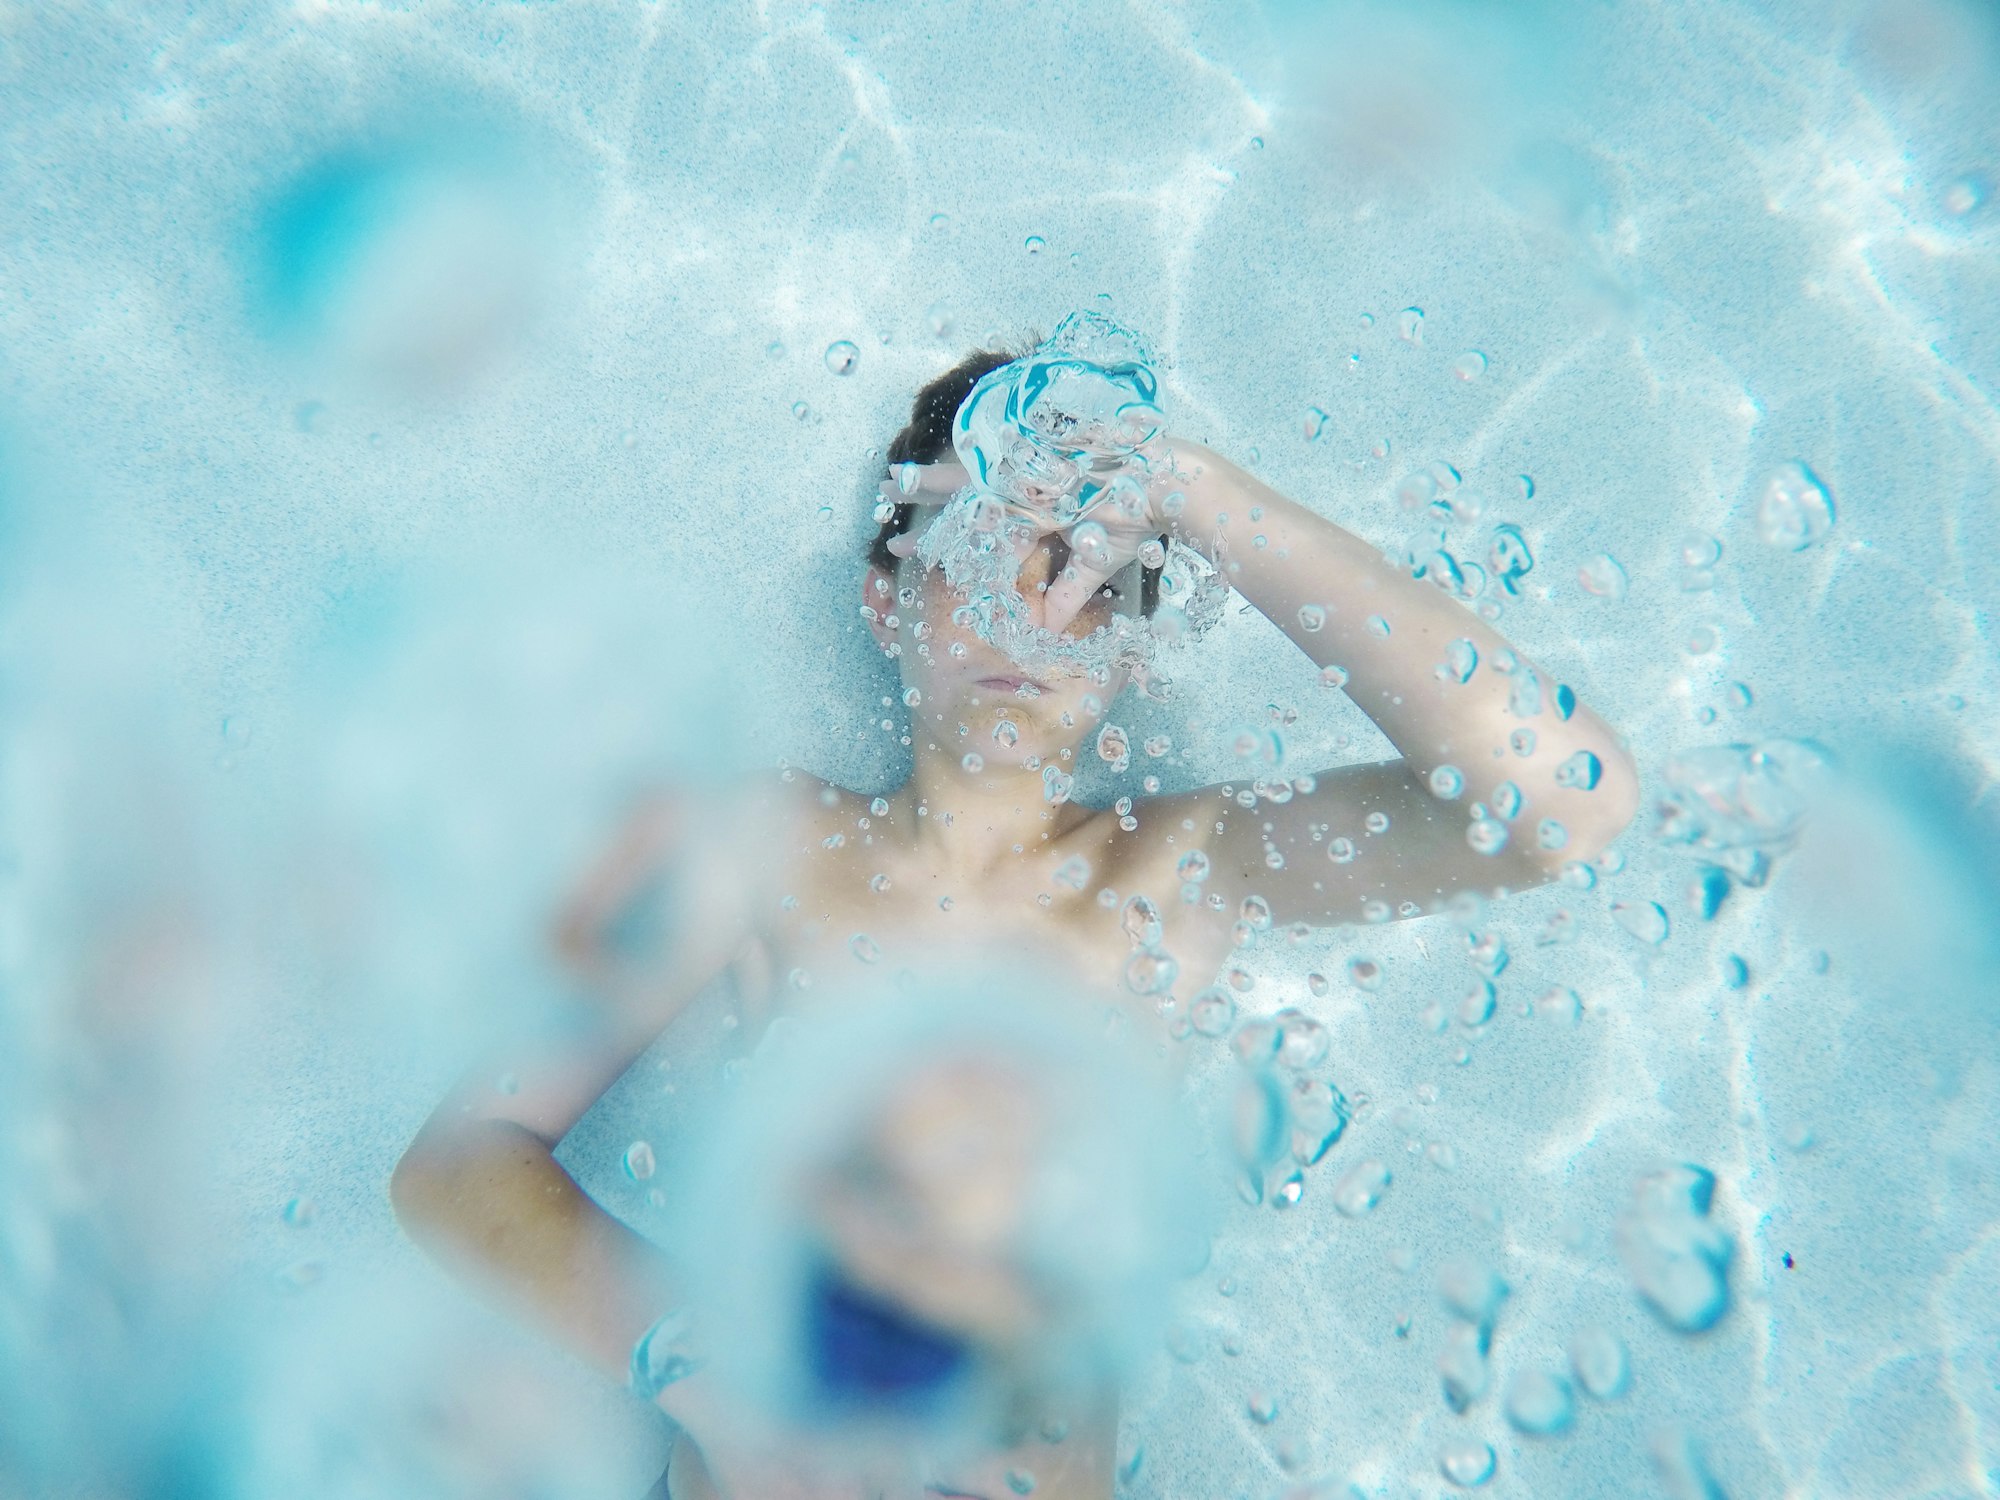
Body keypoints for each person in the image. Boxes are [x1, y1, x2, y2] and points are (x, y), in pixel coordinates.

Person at [389, 342, 1641, 1500]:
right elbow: (459, 1160)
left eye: (1083, 571)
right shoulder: (755, 842)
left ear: (1135, 654)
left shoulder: (1185, 869)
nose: (1025, 611)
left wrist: (1189, 491)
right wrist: (700, 1368)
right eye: (977, 552)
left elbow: (1556, 806)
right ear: (885, 604)